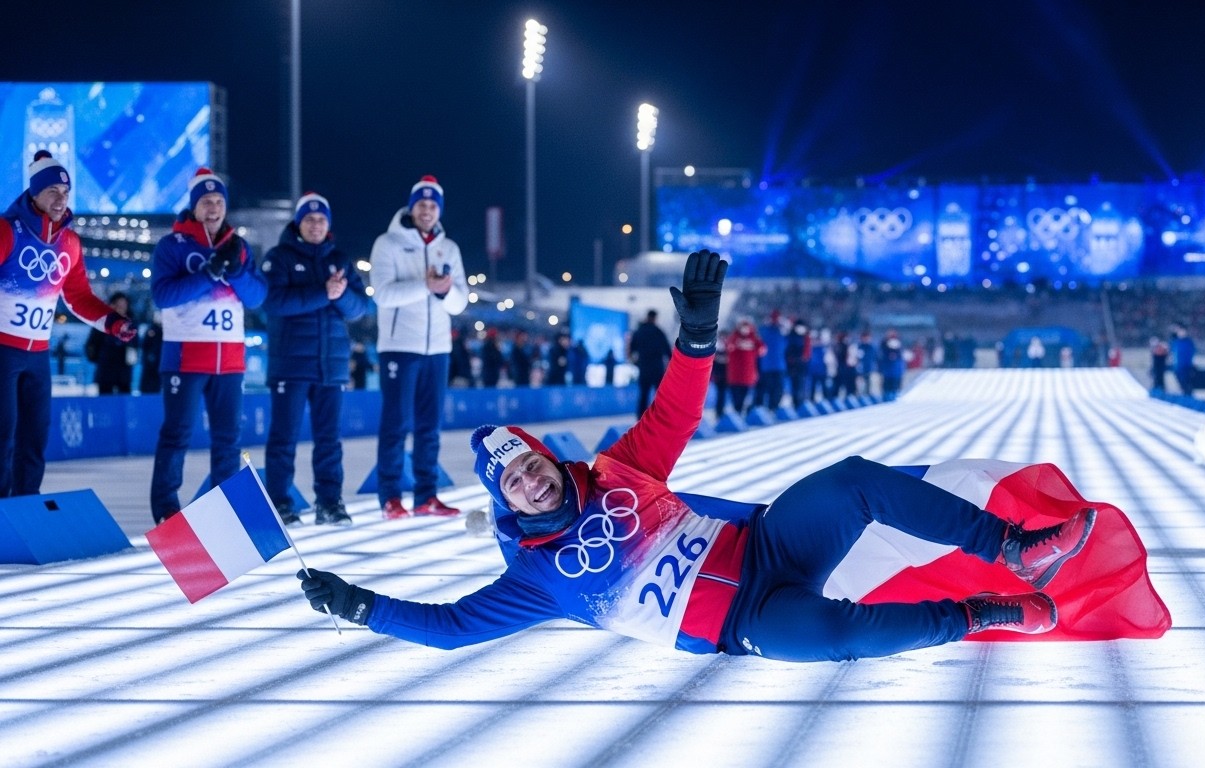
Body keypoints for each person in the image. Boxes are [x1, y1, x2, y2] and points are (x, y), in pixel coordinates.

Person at [298, 251, 1104, 661]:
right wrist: (358, 605)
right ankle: (983, 613)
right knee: (839, 640)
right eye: (516, 480)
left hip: (769, 544)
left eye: (532, 463)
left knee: (856, 481)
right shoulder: (533, 579)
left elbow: (676, 409)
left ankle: (1014, 548)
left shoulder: (617, 470)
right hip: (743, 621)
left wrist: (695, 337)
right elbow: (448, 628)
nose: (534, 478)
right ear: (507, 499)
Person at [0, 151, 136, 497]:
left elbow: (78, 297)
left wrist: (113, 323)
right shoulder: (7, 231)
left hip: (38, 356)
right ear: (34, 193)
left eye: (66, 192)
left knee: (35, 436)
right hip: (4, 351)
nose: (61, 200)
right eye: (52, 192)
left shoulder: (70, 243)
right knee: (2, 434)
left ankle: (25, 507)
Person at [149, 168, 266, 523]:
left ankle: (225, 510)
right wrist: (208, 274)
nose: (213, 208)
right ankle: (167, 509)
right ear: (194, 206)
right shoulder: (172, 245)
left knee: (228, 439)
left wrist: (236, 272)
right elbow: (163, 295)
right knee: (177, 434)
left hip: (229, 359)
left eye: (218, 201)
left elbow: (258, 296)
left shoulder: (239, 247)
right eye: (205, 202)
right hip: (186, 356)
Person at [260, 192, 370, 527]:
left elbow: (359, 309)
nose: (316, 225)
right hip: (290, 366)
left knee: (329, 441)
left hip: (330, 366)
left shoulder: (339, 259)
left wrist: (340, 295)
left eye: (322, 219)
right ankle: (280, 503)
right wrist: (324, 293)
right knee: (284, 439)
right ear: (298, 222)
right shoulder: (278, 257)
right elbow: (274, 303)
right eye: (309, 219)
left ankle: (329, 503)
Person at [370, 175, 469, 519]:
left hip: (438, 349)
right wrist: (426, 286)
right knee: (396, 424)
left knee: (429, 426)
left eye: (433, 205)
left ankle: (427, 495)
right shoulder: (388, 243)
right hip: (400, 347)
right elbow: (382, 294)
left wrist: (443, 292)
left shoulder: (449, 248)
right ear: (412, 207)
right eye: (421, 204)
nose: (427, 211)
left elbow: (459, 303)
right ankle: (390, 497)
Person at [85, 291, 138, 394]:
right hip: (106, 369)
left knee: (124, 401)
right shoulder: (102, 322)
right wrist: (97, 358)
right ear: (112, 305)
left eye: (123, 305)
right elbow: (92, 344)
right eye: (118, 304)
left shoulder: (131, 324)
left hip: (124, 371)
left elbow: (136, 344)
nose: (121, 308)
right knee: (105, 401)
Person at [628, 309, 670, 417]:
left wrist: (635, 362)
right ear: (655, 318)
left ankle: (640, 417)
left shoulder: (639, 331)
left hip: (644, 367)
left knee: (644, 393)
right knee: (659, 394)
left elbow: (632, 348)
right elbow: (667, 350)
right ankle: (658, 415)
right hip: (657, 367)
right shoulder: (658, 331)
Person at [725, 318, 764, 414]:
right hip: (735, 373)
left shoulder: (754, 338)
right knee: (736, 395)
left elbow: (762, 350)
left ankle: (742, 412)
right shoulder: (734, 337)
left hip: (748, 373)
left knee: (745, 395)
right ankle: (737, 411)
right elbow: (729, 346)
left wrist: (750, 347)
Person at [755, 310, 787, 410]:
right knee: (770, 389)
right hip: (770, 365)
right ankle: (770, 408)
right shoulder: (765, 330)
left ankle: (772, 407)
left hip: (775, 365)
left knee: (776, 389)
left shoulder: (781, 331)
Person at [138, 320, 163, 394]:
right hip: (148, 365)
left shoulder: (165, 332)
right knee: (146, 386)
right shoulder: (150, 329)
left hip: (159, 365)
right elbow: (143, 345)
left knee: (156, 386)